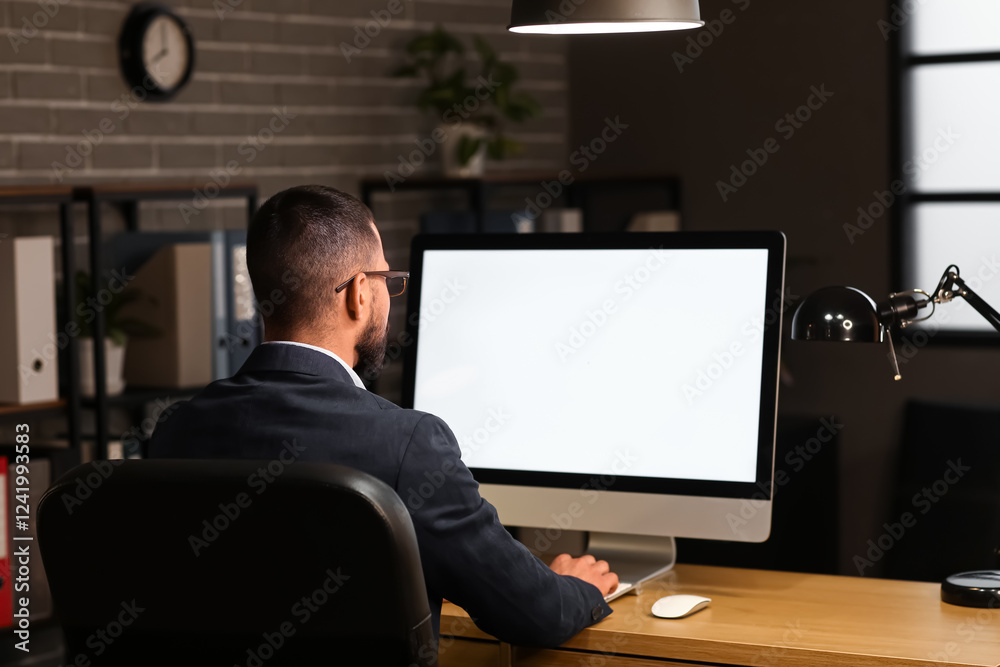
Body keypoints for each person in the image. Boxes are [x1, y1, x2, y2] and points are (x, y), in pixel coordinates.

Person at [148, 184, 618, 647]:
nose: (390, 298)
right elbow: (533, 614)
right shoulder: (408, 445)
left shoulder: (177, 431)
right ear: (358, 294)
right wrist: (577, 588)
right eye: (387, 283)